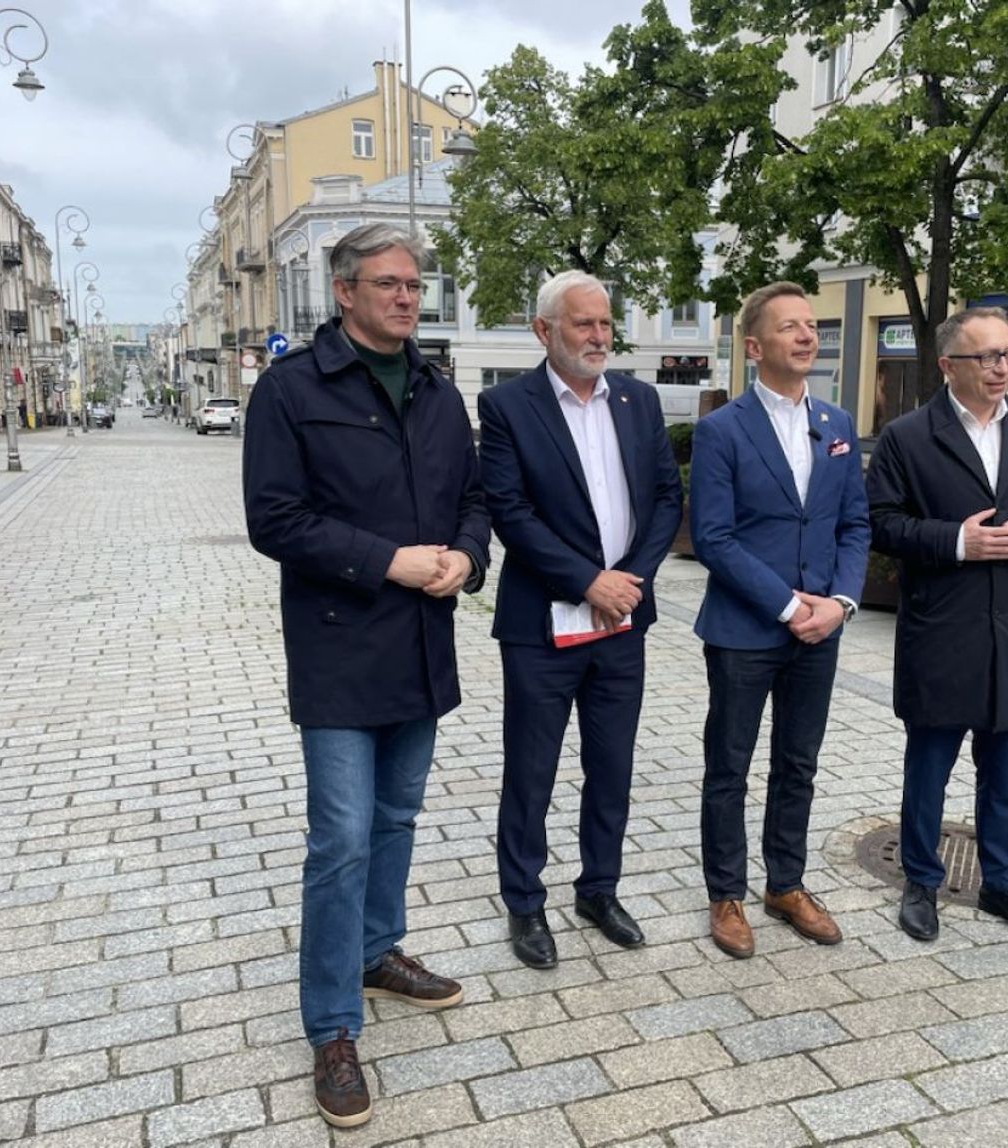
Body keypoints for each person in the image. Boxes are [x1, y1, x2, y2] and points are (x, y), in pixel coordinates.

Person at [242, 222, 490, 1130]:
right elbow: (274, 519)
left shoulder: (437, 389)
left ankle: (378, 952)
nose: (406, 297)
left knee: (396, 817)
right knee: (341, 838)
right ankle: (332, 1027)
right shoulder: (292, 389)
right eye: (388, 283)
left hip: (421, 645)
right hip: (341, 647)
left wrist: (468, 556)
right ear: (344, 291)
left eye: (415, 284)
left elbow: (473, 499)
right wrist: (387, 560)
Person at [478, 270, 683, 970]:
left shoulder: (638, 399)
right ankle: (524, 902)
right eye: (583, 324)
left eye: (605, 323)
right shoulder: (507, 405)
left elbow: (665, 498)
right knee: (531, 770)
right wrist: (587, 580)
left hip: (622, 623)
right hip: (543, 627)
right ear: (545, 331)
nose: (598, 336)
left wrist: (629, 582)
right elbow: (510, 513)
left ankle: (599, 890)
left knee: (612, 765)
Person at [865, 307, 1008, 946]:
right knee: (928, 769)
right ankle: (921, 881)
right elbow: (881, 523)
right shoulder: (907, 436)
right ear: (947, 365)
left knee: (1005, 771)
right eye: (986, 356)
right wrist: (957, 542)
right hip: (942, 629)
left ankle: (1002, 884)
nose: (1001, 367)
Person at [689, 282, 870, 960]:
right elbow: (714, 538)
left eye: (811, 325)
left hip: (820, 630)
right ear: (754, 346)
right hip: (745, 630)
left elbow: (854, 525)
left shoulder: (837, 423)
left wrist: (840, 604)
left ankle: (785, 885)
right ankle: (726, 893)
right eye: (790, 326)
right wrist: (790, 606)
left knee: (798, 764)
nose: (806, 335)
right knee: (729, 767)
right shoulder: (722, 430)